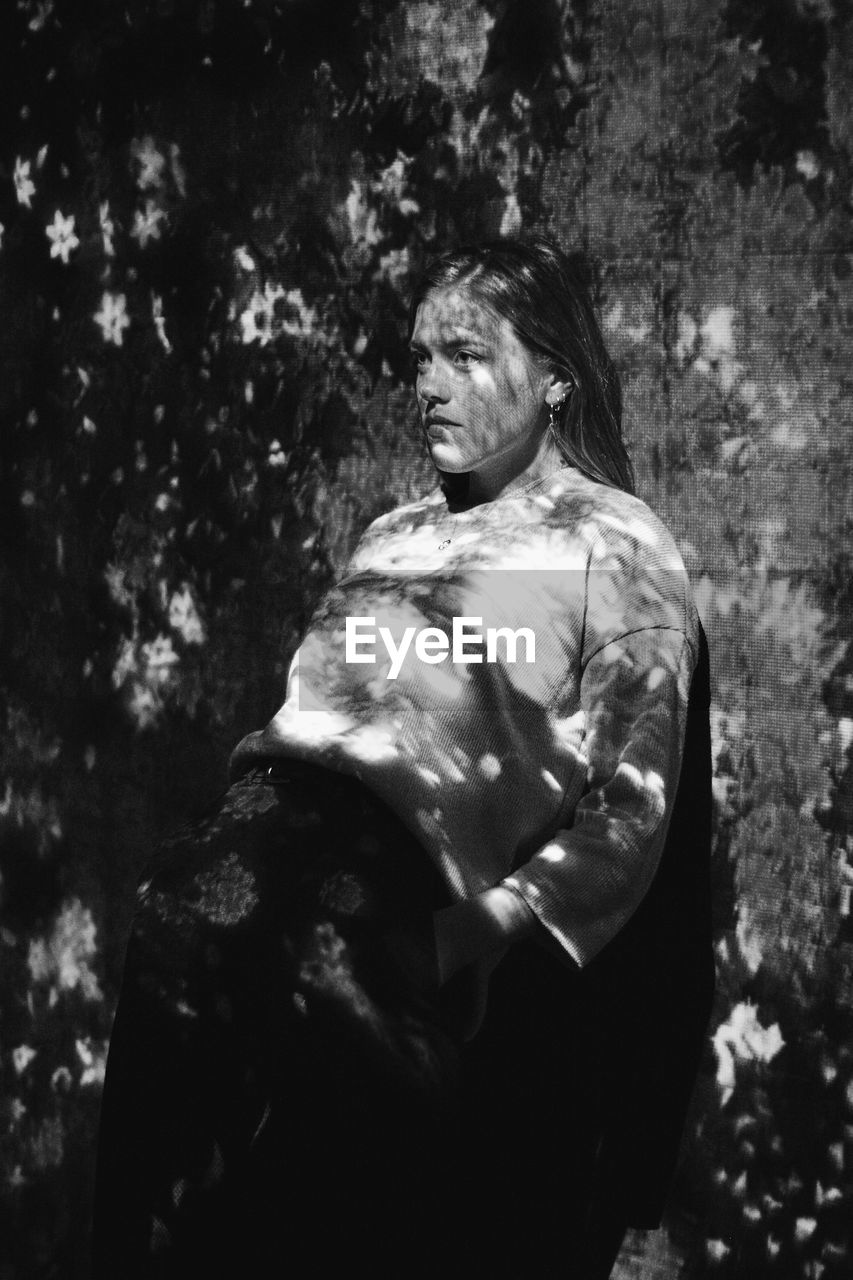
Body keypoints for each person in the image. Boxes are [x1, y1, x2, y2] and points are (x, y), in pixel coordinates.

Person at [93, 236, 715, 1278]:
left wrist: (470, 930)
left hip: (394, 875)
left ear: (556, 372)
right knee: (172, 967)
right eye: (419, 357)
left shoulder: (616, 538)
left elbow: (631, 811)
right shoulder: (387, 533)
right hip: (258, 837)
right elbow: (319, 717)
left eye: (464, 354)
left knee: (358, 1154)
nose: (428, 384)